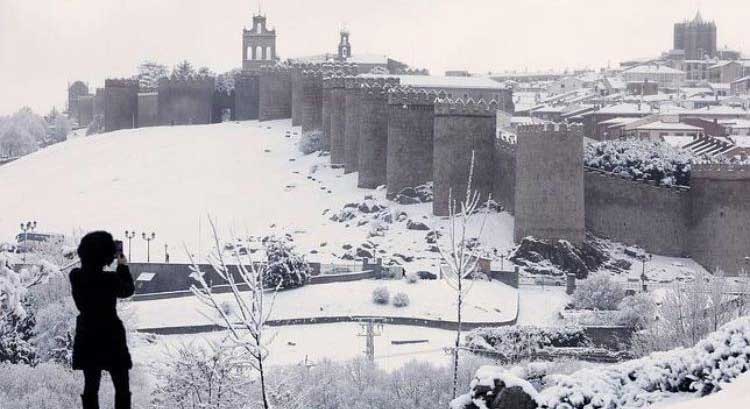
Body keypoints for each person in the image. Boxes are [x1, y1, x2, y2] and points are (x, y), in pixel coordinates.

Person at [70, 231, 134, 409]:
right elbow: (127, 290)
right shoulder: (110, 280)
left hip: (87, 334)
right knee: (122, 386)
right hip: (111, 335)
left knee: (91, 386)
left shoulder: (75, 277)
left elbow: (86, 272)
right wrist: (122, 266)